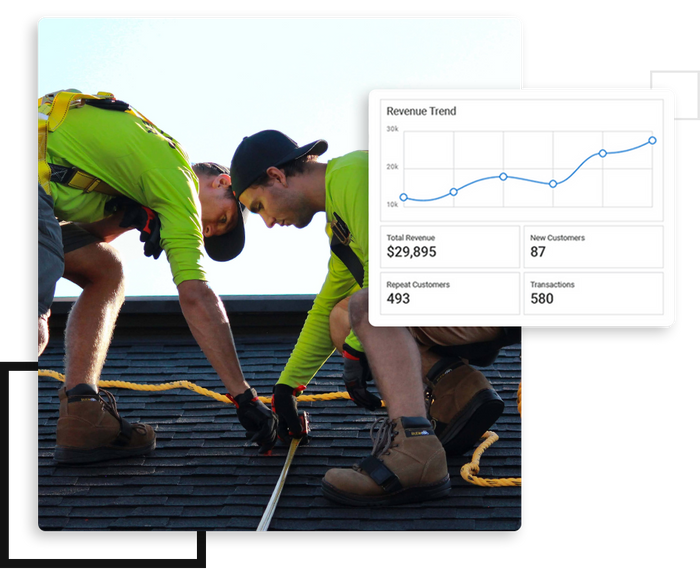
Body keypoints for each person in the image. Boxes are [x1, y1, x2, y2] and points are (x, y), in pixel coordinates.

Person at [229, 129, 518, 506]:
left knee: (365, 307)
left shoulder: (354, 173)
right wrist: (287, 387)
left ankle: (414, 450)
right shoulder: (341, 225)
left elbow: (388, 277)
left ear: (277, 176)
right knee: (342, 315)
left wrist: (356, 348)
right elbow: (326, 309)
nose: (267, 222)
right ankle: (458, 390)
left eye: (258, 206)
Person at [38, 90, 277, 464]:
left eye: (212, 233)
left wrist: (128, 217)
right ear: (221, 182)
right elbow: (197, 296)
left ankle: (82, 413)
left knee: (107, 270)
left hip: (45, 196)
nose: (206, 230)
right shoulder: (178, 179)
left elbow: (81, 244)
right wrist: (243, 396)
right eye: (222, 219)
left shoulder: (139, 171)